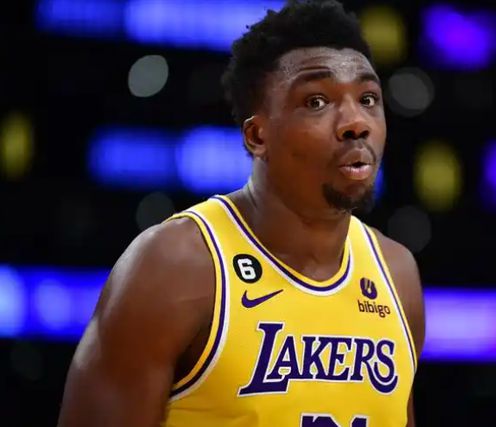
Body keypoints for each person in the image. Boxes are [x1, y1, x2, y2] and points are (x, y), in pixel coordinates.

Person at [57, 1, 424, 426]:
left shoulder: (396, 274)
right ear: (257, 135)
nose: (356, 122)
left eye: (368, 98)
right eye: (317, 101)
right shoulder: (176, 265)